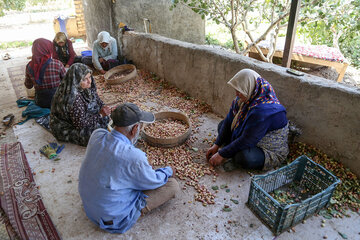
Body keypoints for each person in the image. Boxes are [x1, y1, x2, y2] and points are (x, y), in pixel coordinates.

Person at [78, 103, 179, 234]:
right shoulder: (134, 157)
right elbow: (154, 181)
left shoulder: (97, 135)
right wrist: (169, 170)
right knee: (172, 185)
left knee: (131, 174)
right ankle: (132, 212)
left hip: (90, 207)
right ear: (134, 129)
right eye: (140, 126)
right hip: (112, 218)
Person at [206, 69, 289, 171]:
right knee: (222, 125)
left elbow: (248, 139)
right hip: (251, 134)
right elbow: (229, 120)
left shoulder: (263, 110)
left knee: (243, 157)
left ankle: (234, 152)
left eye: (240, 91)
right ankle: (232, 148)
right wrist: (216, 145)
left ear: (250, 87)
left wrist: (222, 154)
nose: (237, 94)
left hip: (267, 149)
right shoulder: (245, 98)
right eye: (236, 90)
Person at [50, 63, 110, 146]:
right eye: (85, 79)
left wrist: (103, 106)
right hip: (67, 127)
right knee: (93, 135)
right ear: (77, 80)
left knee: (105, 118)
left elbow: (97, 99)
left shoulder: (84, 87)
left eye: (89, 77)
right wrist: (100, 115)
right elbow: (80, 124)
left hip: (78, 118)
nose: (89, 81)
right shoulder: (72, 97)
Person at [25, 38, 66, 108]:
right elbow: (66, 81)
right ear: (48, 49)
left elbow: (28, 86)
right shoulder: (57, 64)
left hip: (41, 103)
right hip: (59, 101)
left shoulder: (29, 66)